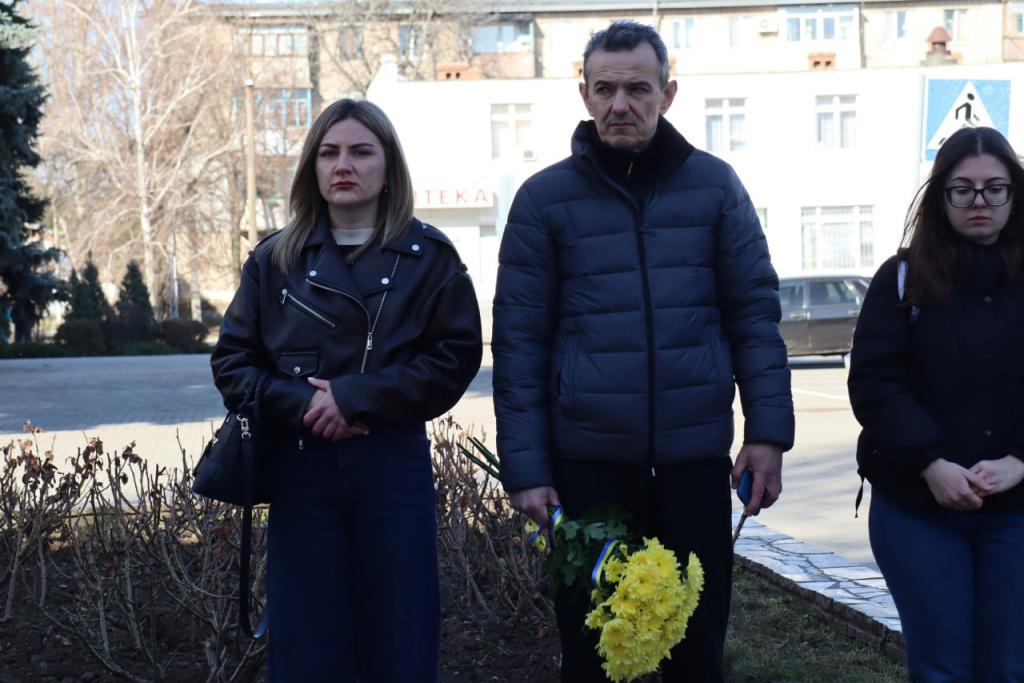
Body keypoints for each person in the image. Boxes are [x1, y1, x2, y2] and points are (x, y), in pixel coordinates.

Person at [492, 20, 794, 682]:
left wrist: (768, 434)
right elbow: (519, 346)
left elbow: (754, 318)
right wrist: (526, 469)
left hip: (693, 466)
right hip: (587, 471)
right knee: (595, 656)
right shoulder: (543, 200)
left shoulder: (716, 187)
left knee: (696, 654)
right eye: (605, 89)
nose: (620, 104)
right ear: (584, 94)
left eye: (638, 89)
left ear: (668, 93)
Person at [211, 99, 483, 682]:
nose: (343, 165)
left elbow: (454, 358)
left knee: (401, 642)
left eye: (361, 152)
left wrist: (357, 398)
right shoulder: (274, 260)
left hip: (393, 470)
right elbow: (233, 362)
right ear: (312, 166)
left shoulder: (430, 258)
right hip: (300, 471)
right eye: (329, 153)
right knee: (307, 649)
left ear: (388, 167)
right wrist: (305, 404)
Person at [848, 126, 1024, 682]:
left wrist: (1020, 460)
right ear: (941, 197)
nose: (980, 201)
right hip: (917, 510)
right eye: (963, 189)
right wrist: (929, 463)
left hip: (1016, 512)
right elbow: (875, 382)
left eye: (994, 188)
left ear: (1014, 195)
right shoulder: (902, 278)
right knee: (942, 669)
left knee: (1008, 668)